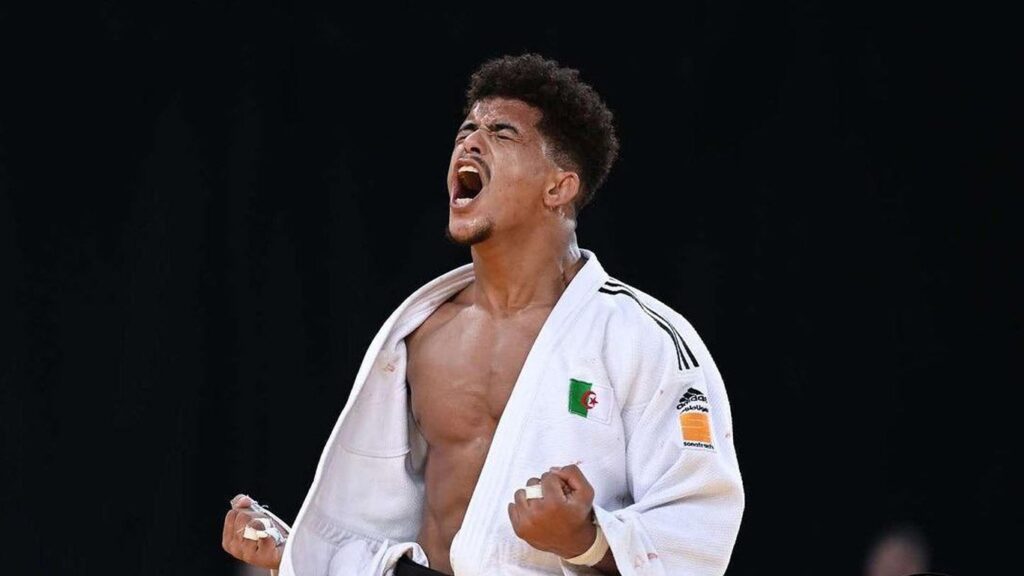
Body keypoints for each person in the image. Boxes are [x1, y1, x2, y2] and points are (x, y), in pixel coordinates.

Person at [222, 53, 744, 576]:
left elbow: (698, 533)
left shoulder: (643, 339)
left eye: (501, 132)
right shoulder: (423, 333)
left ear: (558, 187)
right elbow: (382, 526)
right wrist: (298, 554)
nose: (469, 143)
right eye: (466, 130)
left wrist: (585, 542)